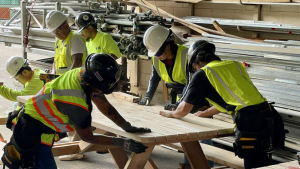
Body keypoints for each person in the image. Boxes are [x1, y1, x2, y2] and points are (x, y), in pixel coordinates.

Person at [2, 53, 151, 169]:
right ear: (95, 84)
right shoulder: (76, 105)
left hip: (33, 124)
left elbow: (104, 105)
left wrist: (126, 126)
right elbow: (88, 137)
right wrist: (122, 142)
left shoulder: (82, 74)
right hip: (32, 134)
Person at [160, 40, 285, 169]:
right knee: (262, 159)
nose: (195, 69)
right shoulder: (234, 65)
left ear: (197, 61)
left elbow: (183, 109)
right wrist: (205, 113)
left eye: (193, 66)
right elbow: (234, 100)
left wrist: (172, 114)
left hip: (249, 120)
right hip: (267, 113)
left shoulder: (203, 73)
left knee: (253, 163)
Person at [138, 25, 188, 109]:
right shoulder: (156, 59)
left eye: (158, 53)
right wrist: (148, 96)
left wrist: (178, 103)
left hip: (193, 98)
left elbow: (191, 84)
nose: (157, 56)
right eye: (154, 54)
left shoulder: (186, 55)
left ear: (167, 46)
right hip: (179, 95)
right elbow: (154, 78)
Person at [46, 10, 87, 75]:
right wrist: (53, 75)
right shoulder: (58, 40)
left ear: (66, 26)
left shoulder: (75, 39)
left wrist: (65, 81)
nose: (56, 34)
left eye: (57, 31)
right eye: (53, 32)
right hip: (61, 82)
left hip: (73, 82)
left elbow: (77, 64)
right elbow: (56, 61)